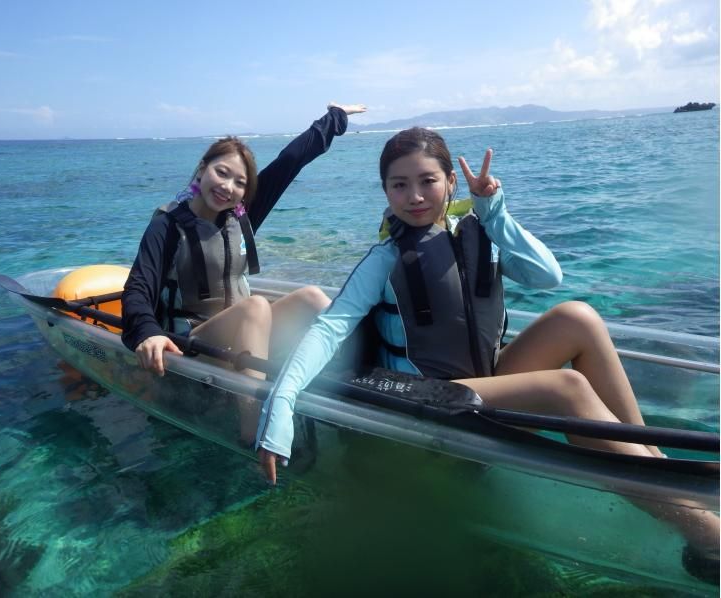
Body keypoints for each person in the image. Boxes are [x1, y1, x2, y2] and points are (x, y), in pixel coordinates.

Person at [255, 127, 719, 581]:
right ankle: (707, 535)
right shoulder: (386, 258)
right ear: (386, 191)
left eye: (427, 181)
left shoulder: (478, 232)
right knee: (566, 387)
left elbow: (547, 276)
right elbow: (329, 328)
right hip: (425, 404)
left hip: (484, 387)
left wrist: (494, 211)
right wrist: (282, 401)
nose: (415, 196)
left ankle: (654, 464)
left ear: (450, 183)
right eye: (400, 185)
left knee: (577, 316)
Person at [122, 102, 366, 441]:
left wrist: (335, 118)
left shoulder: (240, 216)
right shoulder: (167, 226)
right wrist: (148, 333)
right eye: (222, 173)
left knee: (312, 297)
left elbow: (289, 162)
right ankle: (255, 434)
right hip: (192, 344)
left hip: (242, 339)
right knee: (256, 306)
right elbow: (138, 287)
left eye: (239, 182)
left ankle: (363, 390)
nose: (228, 187)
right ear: (202, 168)